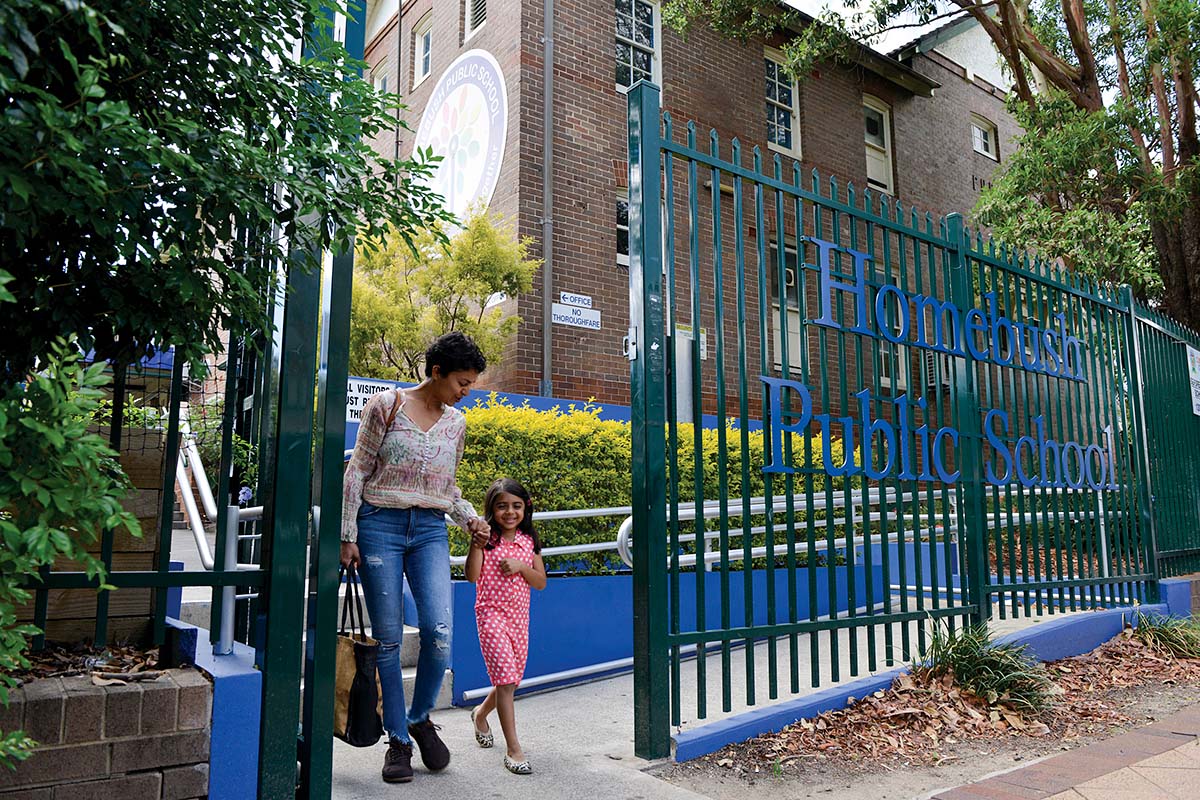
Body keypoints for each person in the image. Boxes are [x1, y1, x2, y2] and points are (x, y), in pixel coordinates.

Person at [340, 331, 492, 784]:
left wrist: (468, 518)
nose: (466, 392)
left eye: (471, 384)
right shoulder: (385, 406)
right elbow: (358, 470)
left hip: (429, 530)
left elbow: (446, 489)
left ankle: (419, 717)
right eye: (462, 382)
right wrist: (348, 534)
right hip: (379, 526)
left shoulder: (456, 424)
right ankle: (399, 743)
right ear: (437, 371)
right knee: (387, 639)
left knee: (439, 631)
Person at [465, 478, 547, 775]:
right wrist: (476, 544)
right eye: (502, 506)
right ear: (492, 510)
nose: (509, 512)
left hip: (519, 619)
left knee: (509, 681)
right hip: (491, 616)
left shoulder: (530, 541)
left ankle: (480, 713)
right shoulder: (487, 539)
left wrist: (522, 567)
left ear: (526, 508)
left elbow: (540, 583)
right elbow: (472, 577)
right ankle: (514, 749)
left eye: (516, 505)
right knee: (506, 678)